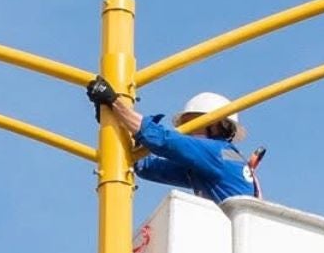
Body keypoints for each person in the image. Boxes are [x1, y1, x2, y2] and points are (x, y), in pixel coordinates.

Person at [85, 76, 258, 202]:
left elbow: (164, 140)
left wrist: (113, 102)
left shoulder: (216, 153)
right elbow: (148, 167)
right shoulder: (211, 165)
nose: (186, 132)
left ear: (215, 125)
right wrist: (120, 122)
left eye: (193, 124)